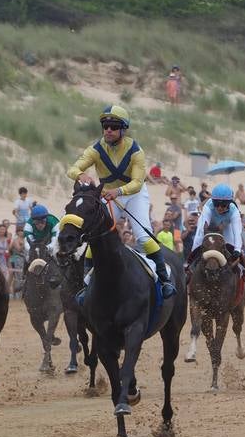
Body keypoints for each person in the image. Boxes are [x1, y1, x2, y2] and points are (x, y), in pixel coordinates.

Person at [65, 104, 174, 297]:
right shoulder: (95, 149)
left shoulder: (135, 151)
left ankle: (165, 280)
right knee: (95, 237)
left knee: (143, 237)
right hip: (109, 196)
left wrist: (118, 191)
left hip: (134, 195)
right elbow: (72, 169)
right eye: (105, 125)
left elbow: (138, 183)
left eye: (113, 126)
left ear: (123, 129)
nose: (108, 129)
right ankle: (85, 283)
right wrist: (81, 175)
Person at [188, 184, 245, 288]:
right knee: (198, 243)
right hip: (210, 226)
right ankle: (188, 268)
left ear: (229, 203)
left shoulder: (234, 211)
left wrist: (237, 250)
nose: (219, 207)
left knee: (234, 248)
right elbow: (200, 232)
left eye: (223, 204)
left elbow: (237, 233)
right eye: (216, 204)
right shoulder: (208, 207)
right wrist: (194, 249)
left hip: (226, 227)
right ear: (212, 201)